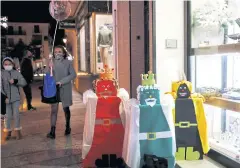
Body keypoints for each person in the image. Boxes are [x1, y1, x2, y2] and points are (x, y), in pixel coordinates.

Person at [46, 45, 77, 139]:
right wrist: (48, 67)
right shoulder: (51, 62)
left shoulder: (68, 63)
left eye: (59, 51)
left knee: (66, 108)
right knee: (54, 110)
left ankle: (67, 126)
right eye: (55, 52)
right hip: (54, 89)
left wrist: (61, 82)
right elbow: (47, 75)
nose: (57, 53)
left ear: (63, 53)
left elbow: (73, 75)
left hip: (64, 88)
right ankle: (52, 131)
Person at [1, 57, 27, 140]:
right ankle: (7, 131)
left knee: (16, 115)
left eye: (9, 64)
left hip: (16, 98)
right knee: (7, 116)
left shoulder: (16, 73)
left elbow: (24, 82)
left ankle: (18, 132)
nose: (7, 66)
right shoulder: (1, 73)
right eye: (5, 64)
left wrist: (16, 81)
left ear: (12, 64)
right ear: (3, 65)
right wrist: (4, 97)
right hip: (6, 99)